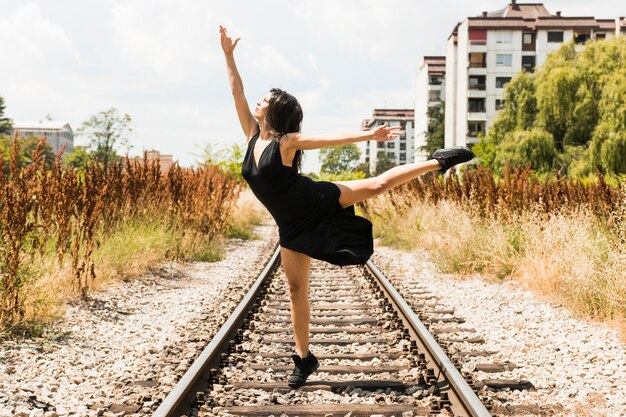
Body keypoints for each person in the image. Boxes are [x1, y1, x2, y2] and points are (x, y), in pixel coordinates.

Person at [219, 25, 473, 388]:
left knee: (377, 184)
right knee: (295, 291)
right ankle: (304, 360)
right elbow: (235, 90)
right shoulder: (250, 135)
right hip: (290, 226)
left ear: (276, 111)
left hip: (315, 200)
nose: (257, 101)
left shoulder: (286, 141)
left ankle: (439, 162)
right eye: (259, 98)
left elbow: (327, 140)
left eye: (265, 99)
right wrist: (228, 55)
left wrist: (369, 135)